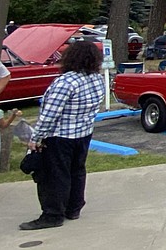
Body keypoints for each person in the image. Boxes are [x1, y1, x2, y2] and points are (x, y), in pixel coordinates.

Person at [21, 40, 104, 230]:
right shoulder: (97, 79)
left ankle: (52, 215)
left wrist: (36, 138)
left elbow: (49, 114)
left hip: (60, 137)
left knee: (54, 176)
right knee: (77, 171)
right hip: (83, 134)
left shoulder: (65, 82)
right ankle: (73, 208)